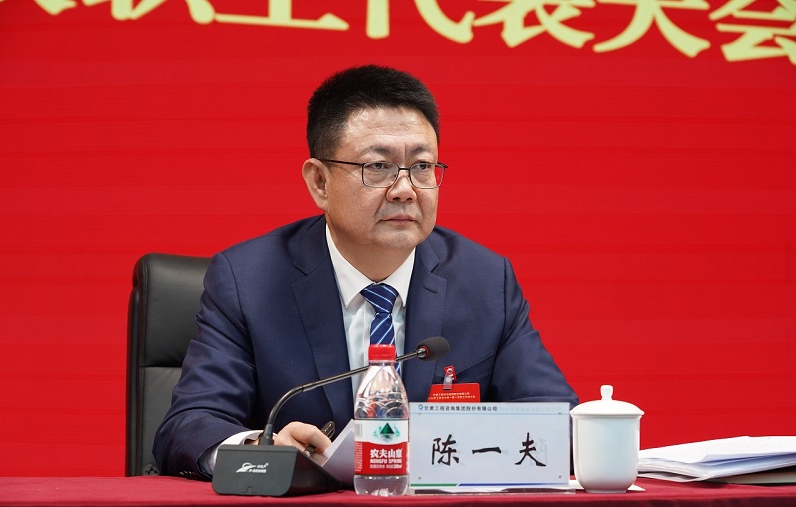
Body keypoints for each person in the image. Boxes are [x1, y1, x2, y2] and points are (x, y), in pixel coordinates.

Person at [153, 65, 578, 480]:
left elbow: (557, 420)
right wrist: (261, 450)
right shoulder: (248, 281)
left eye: (422, 166)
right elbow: (190, 424)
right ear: (320, 182)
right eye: (378, 167)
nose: (405, 189)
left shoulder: (484, 280)